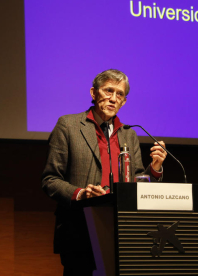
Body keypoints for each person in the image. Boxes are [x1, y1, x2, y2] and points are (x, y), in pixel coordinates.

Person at [42, 69, 167, 275]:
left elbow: (137, 184)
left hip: (123, 230)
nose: (113, 98)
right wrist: (81, 194)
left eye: (120, 94)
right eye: (108, 91)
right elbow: (50, 179)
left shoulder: (129, 134)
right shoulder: (68, 126)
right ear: (93, 93)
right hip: (79, 228)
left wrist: (154, 168)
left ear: (124, 102)